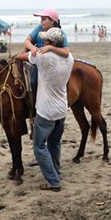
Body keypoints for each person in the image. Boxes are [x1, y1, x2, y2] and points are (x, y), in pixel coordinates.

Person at [16, 28, 74, 192]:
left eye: (45, 41)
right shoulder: (69, 58)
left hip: (46, 110)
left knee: (39, 146)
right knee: (54, 143)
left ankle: (53, 181)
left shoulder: (43, 57)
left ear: (49, 42)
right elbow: (63, 52)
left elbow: (21, 57)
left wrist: (31, 49)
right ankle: (56, 172)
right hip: (61, 109)